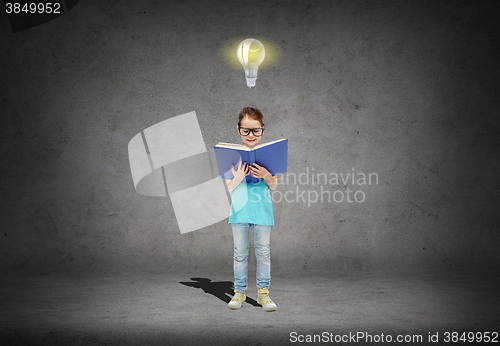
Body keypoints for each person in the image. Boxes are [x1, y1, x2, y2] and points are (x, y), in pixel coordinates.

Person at [225, 107, 278, 312]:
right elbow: (228, 188)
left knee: (263, 253)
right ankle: (239, 293)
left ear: (262, 130)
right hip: (239, 212)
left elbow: (273, 185)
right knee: (240, 253)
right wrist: (238, 177)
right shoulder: (231, 157)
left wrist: (265, 174)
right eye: (246, 130)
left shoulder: (270, 156)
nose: (251, 135)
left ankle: (263, 294)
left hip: (262, 211)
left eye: (255, 131)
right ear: (239, 131)